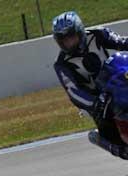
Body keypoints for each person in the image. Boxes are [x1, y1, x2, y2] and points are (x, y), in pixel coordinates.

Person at [52, 11, 128, 156]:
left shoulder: (98, 34)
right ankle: (116, 145)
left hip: (117, 80)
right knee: (108, 125)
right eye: (63, 40)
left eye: (71, 37)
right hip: (97, 98)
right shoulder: (62, 65)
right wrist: (95, 102)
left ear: (80, 31)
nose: (68, 43)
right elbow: (74, 92)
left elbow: (121, 42)